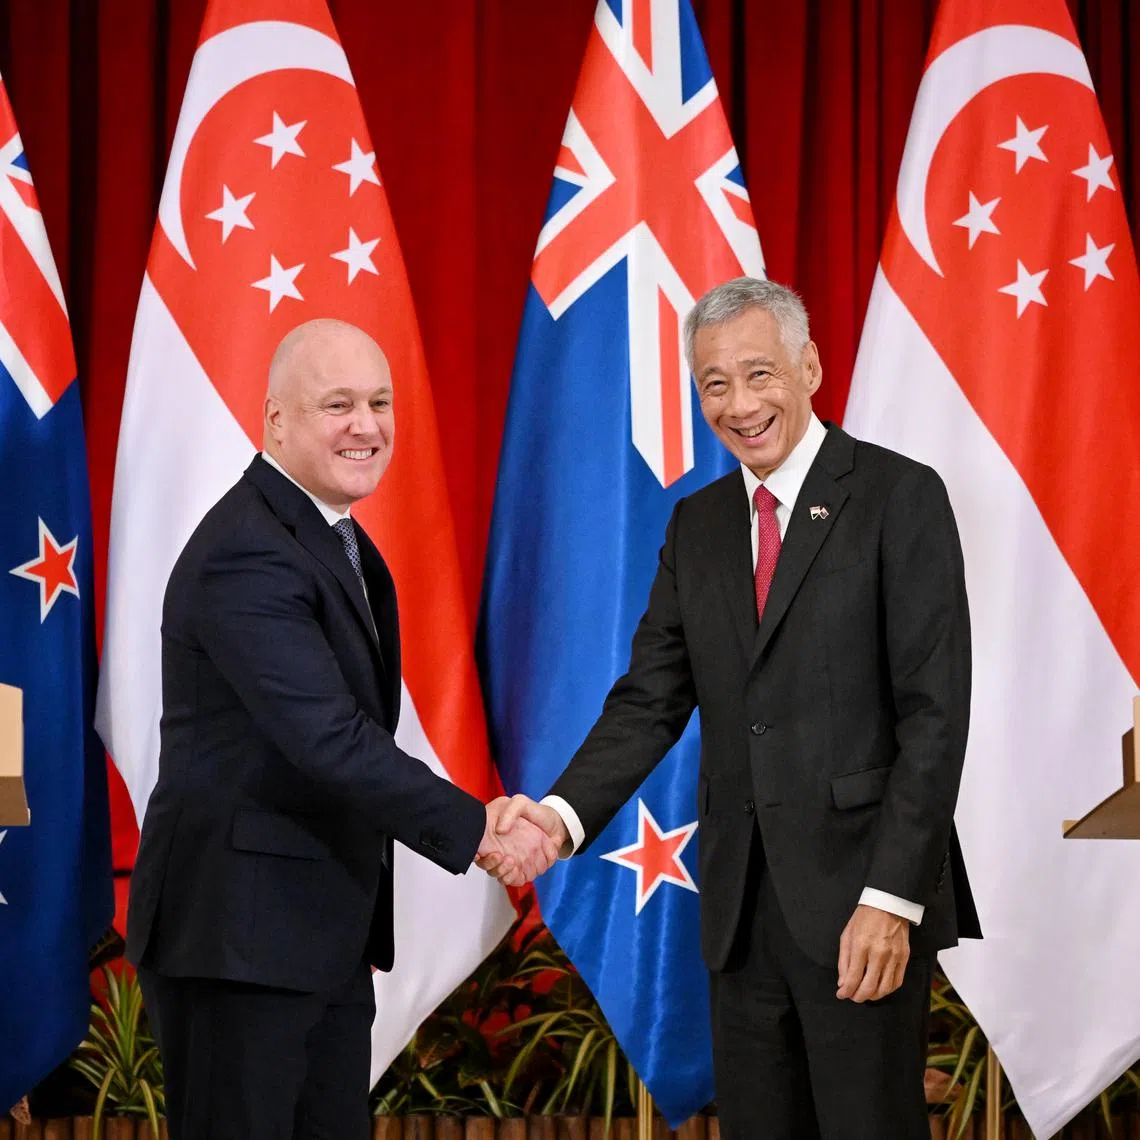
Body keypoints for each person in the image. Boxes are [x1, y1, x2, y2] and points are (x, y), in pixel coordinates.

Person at [484, 278, 980, 1139]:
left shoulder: (900, 497)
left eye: (760, 374)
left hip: (861, 907)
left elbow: (935, 716)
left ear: (811, 367)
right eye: (715, 383)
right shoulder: (698, 527)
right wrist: (557, 821)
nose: (740, 404)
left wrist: (894, 898)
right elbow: (649, 700)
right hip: (740, 918)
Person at [126, 318, 555, 1140]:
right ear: (275, 421)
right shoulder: (248, 552)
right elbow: (327, 738)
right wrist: (477, 827)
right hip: (237, 946)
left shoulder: (329, 538)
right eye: (338, 405)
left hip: (309, 936)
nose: (367, 424)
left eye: (379, 402)